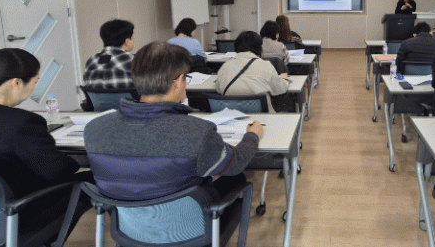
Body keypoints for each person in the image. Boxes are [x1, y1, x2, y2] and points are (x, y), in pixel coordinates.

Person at [84, 42, 263, 202]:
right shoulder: (198, 132)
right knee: (235, 178)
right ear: (178, 82)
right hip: (188, 224)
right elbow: (235, 163)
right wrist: (252, 136)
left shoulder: (94, 129)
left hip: (127, 225)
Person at [0, 48, 91, 237]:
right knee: (90, 180)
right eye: (35, 82)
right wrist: (77, 161)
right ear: (16, 83)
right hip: (14, 219)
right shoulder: (22, 122)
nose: (34, 88)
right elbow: (56, 170)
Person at [215, 31, 289, 113]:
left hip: (232, 115)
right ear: (260, 48)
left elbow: (218, 88)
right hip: (262, 117)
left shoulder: (226, 66)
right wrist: (285, 79)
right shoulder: (265, 65)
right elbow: (280, 89)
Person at [83, 19, 135, 89]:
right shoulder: (133, 60)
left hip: (98, 97)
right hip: (128, 96)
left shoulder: (92, 61)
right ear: (127, 42)